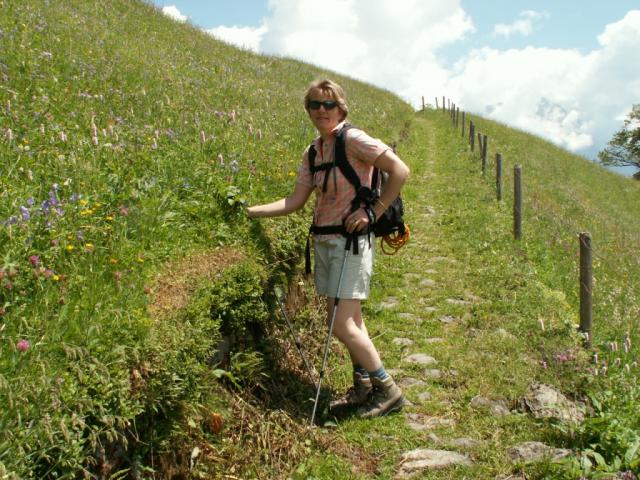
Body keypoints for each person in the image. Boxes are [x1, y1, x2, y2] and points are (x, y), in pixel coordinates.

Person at [247, 79, 409, 418]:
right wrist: (250, 212)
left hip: (351, 244)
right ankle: (363, 386)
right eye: (315, 104)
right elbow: (295, 201)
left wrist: (372, 212)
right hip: (325, 242)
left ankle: (387, 390)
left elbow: (399, 170)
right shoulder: (313, 152)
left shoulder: (354, 139)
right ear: (308, 109)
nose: (322, 110)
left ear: (341, 108)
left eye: (329, 104)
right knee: (352, 322)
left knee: (340, 324)